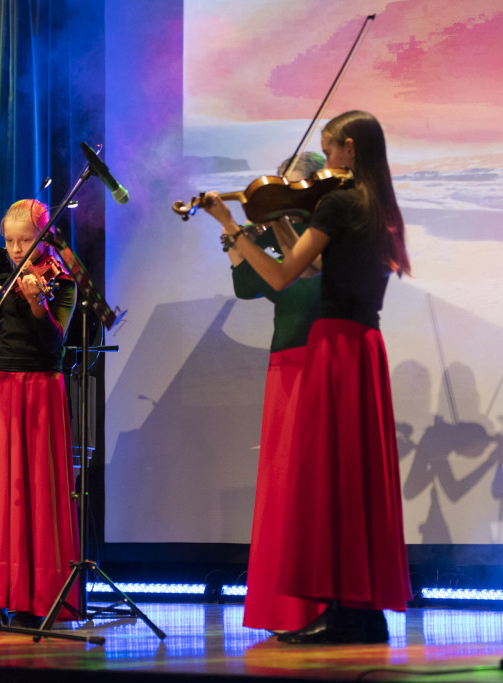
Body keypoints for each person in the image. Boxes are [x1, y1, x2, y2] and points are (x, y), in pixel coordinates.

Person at [203, 111, 412, 644]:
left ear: (345, 147)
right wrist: (279, 216)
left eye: (330, 151)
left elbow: (277, 274)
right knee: (354, 479)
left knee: (327, 479)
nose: (326, 166)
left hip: (335, 347)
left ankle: (343, 613)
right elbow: (318, 266)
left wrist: (229, 226)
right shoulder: (380, 207)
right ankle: (360, 611)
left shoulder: (339, 204)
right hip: (366, 348)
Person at [0, 199, 80, 629]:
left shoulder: (61, 283)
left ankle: (38, 597)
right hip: (1, 388)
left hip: (40, 390)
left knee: (37, 491)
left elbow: (52, 343)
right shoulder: (4, 277)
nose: (15, 248)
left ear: (44, 237)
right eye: (9, 240)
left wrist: (36, 306)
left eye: (25, 240)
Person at [223, 153, 329, 633]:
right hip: (284, 360)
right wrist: (234, 236)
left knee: (313, 483)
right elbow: (248, 286)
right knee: (284, 483)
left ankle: (321, 607)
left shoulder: (323, 233)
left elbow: (302, 280)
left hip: (319, 356)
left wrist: (248, 229)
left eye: (295, 188)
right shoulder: (278, 230)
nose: (286, 196)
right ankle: (286, 609)